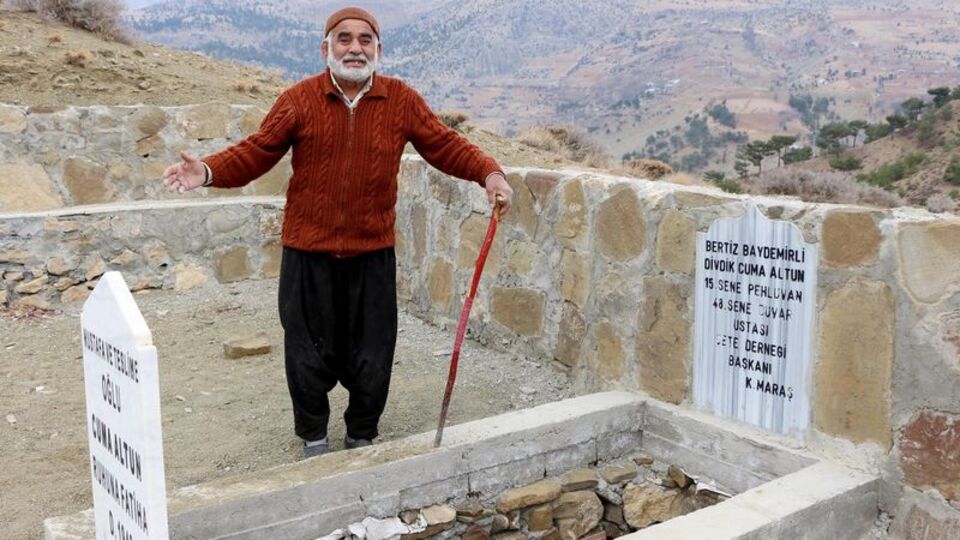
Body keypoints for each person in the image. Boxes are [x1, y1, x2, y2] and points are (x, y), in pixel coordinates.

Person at [163, 6, 513, 458]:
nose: (354, 47)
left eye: (365, 39)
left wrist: (490, 173)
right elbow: (258, 150)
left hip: (372, 253)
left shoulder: (401, 100)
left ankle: (362, 434)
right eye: (343, 38)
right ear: (325, 47)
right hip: (308, 254)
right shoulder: (299, 99)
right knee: (307, 355)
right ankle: (313, 438)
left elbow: (444, 144)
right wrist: (208, 170)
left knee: (373, 353)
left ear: (378, 49)